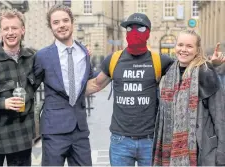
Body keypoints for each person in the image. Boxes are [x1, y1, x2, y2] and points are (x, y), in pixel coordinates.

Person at [85, 13, 224, 166]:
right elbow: (95, 85)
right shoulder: (113, 59)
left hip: (150, 140)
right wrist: (62, 93)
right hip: (120, 140)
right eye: (130, 28)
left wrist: (212, 64)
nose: (134, 32)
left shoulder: (160, 60)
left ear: (148, 33)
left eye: (140, 29)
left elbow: (189, 69)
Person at [153, 30, 225, 166]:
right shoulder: (168, 74)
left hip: (201, 153)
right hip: (170, 153)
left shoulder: (206, 74)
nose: (183, 50)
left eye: (189, 46)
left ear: (197, 50)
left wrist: (221, 157)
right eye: (180, 45)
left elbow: (221, 118)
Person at [33, 4, 93, 166]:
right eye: (56, 22)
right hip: (53, 130)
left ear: (72, 23)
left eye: (65, 20)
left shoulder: (84, 53)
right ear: (51, 27)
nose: (62, 25)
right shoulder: (42, 56)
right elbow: (30, 86)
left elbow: (90, 82)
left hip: (80, 130)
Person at [0, 9, 35, 166]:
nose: (10, 32)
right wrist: (3, 103)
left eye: (14, 28)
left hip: (22, 139)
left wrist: (82, 52)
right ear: (1, 31)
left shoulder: (33, 58)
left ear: (23, 30)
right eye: (6, 28)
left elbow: (57, 63)